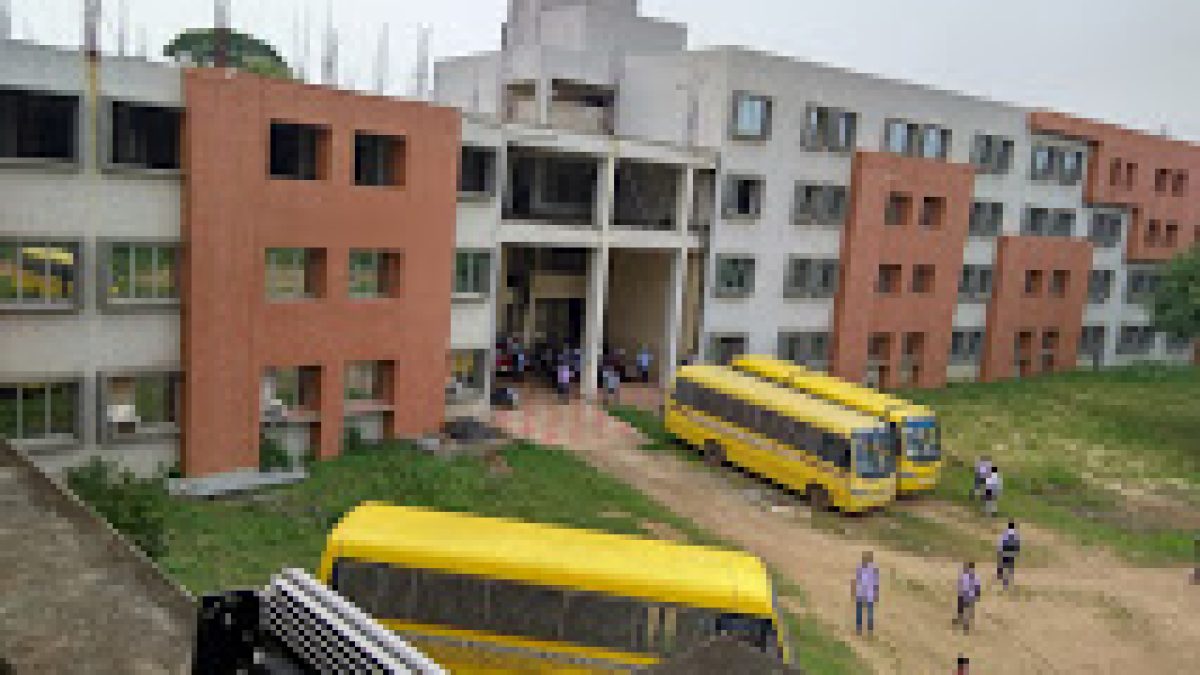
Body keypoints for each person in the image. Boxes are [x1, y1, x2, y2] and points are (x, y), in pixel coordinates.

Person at [851, 551, 879, 636]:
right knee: (861, 612)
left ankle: (868, 629)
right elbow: (856, 580)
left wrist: (876, 593)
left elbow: (876, 582)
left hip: (868, 593)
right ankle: (860, 628)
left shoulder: (873, 570)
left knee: (868, 612)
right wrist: (853, 590)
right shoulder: (861, 568)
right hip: (861, 592)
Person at [954, 562, 981, 633]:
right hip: (969, 596)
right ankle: (965, 624)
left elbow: (960, 586)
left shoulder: (964, 576)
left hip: (965, 596)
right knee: (967, 611)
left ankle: (964, 623)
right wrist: (977, 596)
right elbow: (977, 588)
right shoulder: (975, 577)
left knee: (965, 611)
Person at [997, 521, 1021, 590]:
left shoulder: (1005, 533)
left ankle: (1005, 583)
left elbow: (1001, 542)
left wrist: (999, 551)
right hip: (1011, 552)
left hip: (1005, 551)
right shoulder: (1015, 534)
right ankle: (1011, 580)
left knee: (1004, 567)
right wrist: (1017, 552)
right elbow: (1017, 543)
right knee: (1010, 567)